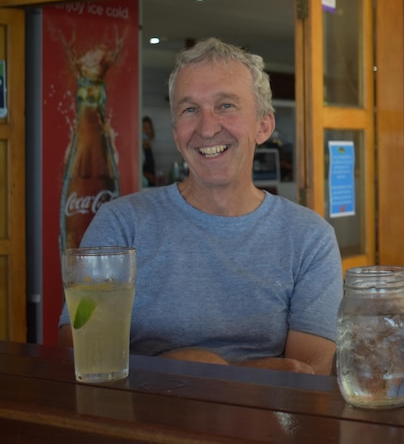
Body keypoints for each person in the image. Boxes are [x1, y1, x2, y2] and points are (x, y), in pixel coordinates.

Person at [59, 38, 343, 375]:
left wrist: (196, 367)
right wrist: (216, 370)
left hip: (264, 425)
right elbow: (81, 347)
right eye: (190, 109)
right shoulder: (122, 223)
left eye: (226, 106)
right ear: (176, 132)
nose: (207, 128)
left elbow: (306, 374)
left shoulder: (310, 238)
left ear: (263, 125)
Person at [141, 115, 157, 186]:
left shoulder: (149, 146)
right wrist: (148, 176)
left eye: (149, 128)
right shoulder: (140, 148)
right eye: (144, 128)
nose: (147, 131)